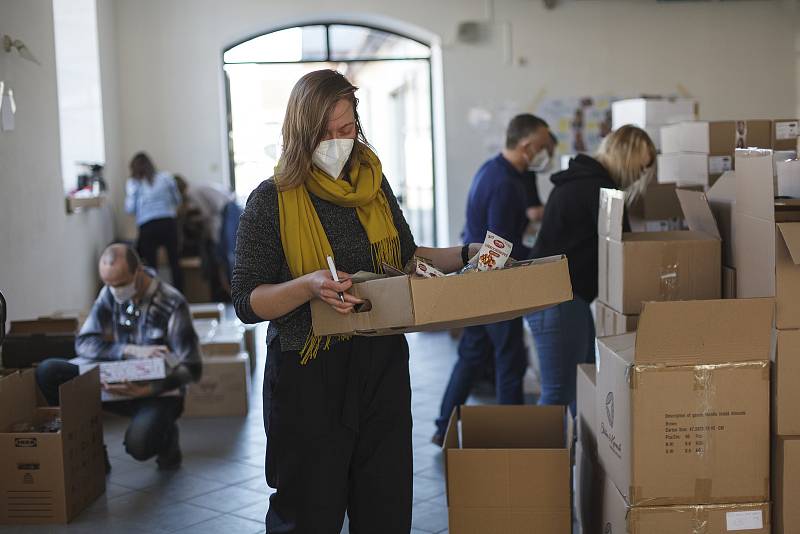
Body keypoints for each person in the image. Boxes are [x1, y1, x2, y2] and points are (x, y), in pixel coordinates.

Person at [232, 69, 479, 534]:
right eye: (325, 132)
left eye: (345, 129)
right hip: (308, 373)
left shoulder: (373, 188)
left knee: (384, 503)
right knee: (309, 511)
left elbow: (406, 258)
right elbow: (248, 300)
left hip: (379, 361)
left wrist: (468, 254)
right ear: (300, 132)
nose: (337, 141)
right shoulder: (271, 200)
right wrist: (308, 286)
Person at [433, 114, 553, 446]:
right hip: (491, 284)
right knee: (509, 359)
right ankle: (511, 435)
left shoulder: (491, 169)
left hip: (476, 279)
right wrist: (543, 253)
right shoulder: (506, 183)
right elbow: (500, 244)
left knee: (472, 355)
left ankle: (443, 425)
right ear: (527, 146)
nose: (544, 154)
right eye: (542, 147)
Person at [525, 125, 656, 415]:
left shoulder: (582, 180)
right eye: (640, 166)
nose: (640, 175)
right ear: (626, 156)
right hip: (556, 298)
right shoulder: (598, 189)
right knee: (559, 395)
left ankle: (572, 457)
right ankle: (537, 460)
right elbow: (627, 249)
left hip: (564, 296)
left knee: (581, 387)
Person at [35, 243, 201, 471]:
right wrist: (128, 350)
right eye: (109, 285)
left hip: (157, 392)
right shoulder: (110, 295)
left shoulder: (172, 303)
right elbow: (84, 343)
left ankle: (167, 437)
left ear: (138, 270)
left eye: (121, 284)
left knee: (139, 446)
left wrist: (145, 390)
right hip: (115, 383)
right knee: (48, 371)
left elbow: (192, 368)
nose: (115, 291)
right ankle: (91, 446)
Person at [174, 175, 241, 300]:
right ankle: (234, 291)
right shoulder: (195, 188)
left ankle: (239, 292)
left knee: (230, 252)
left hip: (229, 208)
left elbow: (206, 213)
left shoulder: (191, 192)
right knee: (227, 251)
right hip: (228, 208)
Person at [125, 152, 184, 292]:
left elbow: (129, 209)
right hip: (168, 223)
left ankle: (154, 295)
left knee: (151, 266)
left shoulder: (133, 183)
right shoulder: (166, 177)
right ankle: (181, 295)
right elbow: (177, 200)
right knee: (174, 262)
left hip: (147, 226)